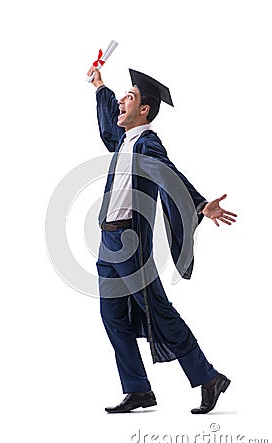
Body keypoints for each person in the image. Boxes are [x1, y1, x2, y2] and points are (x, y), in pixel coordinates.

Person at [87, 65, 237, 414]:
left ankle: (208, 377)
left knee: (158, 310)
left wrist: (199, 204)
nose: (121, 101)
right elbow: (109, 123)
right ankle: (138, 389)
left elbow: (169, 174)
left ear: (145, 111)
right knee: (112, 315)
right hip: (107, 243)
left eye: (130, 97)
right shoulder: (124, 141)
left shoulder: (147, 143)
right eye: (123, 95)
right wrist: (99, 87)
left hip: (130, 242)